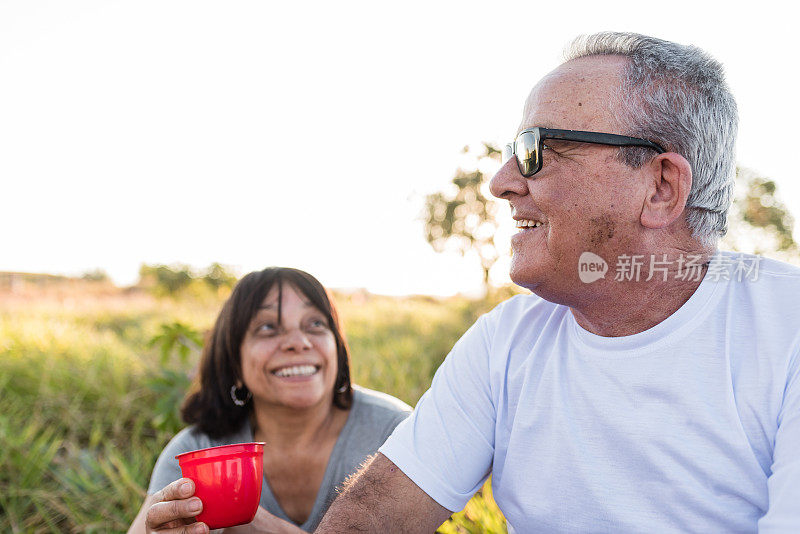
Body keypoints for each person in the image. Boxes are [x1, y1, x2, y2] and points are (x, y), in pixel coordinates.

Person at [315, 32, 800, 533]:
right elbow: (374, 518)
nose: (500, 181)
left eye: (536, 149)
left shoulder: (786, 330)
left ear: (660, 187)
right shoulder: (506, 341)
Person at [127, 267, 410, 533]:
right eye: (267, 328)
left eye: (315, 324)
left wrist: (253, 523)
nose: (298, 341)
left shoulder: (394, 432)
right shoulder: (198, 450)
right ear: (234, 363)